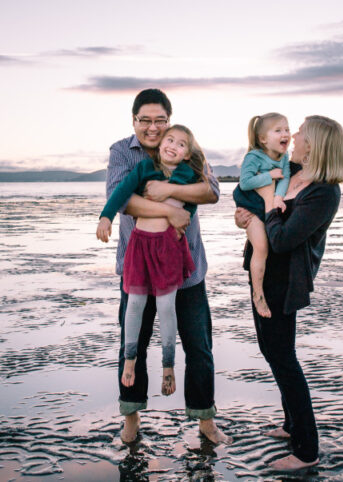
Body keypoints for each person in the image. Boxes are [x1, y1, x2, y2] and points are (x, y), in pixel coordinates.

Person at [103, 89, 229, 445]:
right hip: (138, 266)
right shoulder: (121, 152)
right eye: (146, 120)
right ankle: (131, 421)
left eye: (160, 120)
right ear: (134, 121)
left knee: (199, 347)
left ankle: (205, 421)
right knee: (134, 343)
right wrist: (170, 210)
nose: (153, 128)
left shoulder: (186, 147)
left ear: (169, 121)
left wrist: (164, 192)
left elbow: (212, 190)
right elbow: (122, 199)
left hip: (186, 269)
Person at [234, 115, 343, 471]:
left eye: (299, 131)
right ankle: (290, 425)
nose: (293, 135)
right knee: (272, 350)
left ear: (314, 142)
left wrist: (264, 213)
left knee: (284, 358)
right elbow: (251, 192)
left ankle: (306, 450)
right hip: (263, 273)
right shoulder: (292, 170)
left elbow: (283, 239)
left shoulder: (324, 191)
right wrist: (246, 217)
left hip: (286, 282)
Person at [97, 124, 206, 399]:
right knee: (135, 304)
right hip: (139, 247)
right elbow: (121, 192)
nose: (173, 145)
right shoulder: (144, 169)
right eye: (169, 140)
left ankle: (168, 366)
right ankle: (130, 360)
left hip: (169, 248)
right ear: (160, 145)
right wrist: (106, 217)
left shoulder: (188, 174)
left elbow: (199, 198)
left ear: (186, 154)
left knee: (167, 307)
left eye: (181, 144)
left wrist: (186, 216)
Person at [233, 113, 291, 319]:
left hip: (266, 204)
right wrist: (269, 176)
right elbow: (245, 183)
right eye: (278, 130)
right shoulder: (253, 157)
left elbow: (285, 178)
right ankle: (258, 295)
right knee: (261, 247)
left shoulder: (284, 158)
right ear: (263, 139)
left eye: (287, 129)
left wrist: (278, 197)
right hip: (250, 205)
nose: (285, 134)